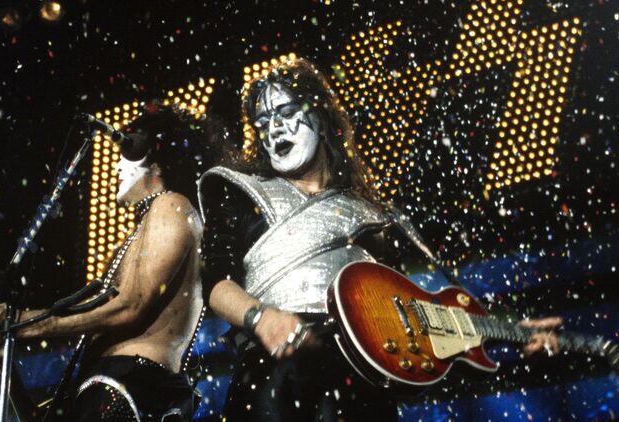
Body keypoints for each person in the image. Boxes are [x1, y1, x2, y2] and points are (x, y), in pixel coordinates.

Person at [198, 58, 561, 421]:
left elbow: (414, 314)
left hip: (360, 388)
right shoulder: (240, 193)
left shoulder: (376, 216)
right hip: (274, 379)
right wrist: (261, 318)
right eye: (262, 122)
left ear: (320, 116)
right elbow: (214, 285)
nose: (274, 129)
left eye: (287, 112)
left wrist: (509, 332)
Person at [0, 105, 205, 421]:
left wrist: (21, 323)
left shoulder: (171, 205)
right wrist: (7, 322)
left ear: (153, 156)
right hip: (111, 386)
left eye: (125, 155)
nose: (116, 165)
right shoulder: (140, 230)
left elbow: (130, 306)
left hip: (131, 387)